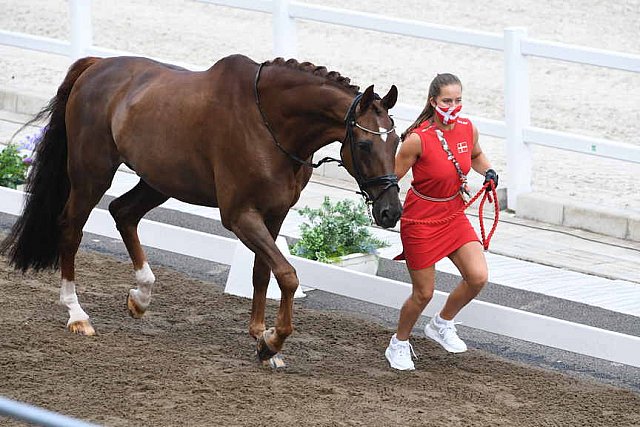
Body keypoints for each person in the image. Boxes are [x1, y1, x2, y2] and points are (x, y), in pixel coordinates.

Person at [385, 73, 499, 371]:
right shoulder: (416, 139)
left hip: (453, 214)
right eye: (447, 100)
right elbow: (390, 179)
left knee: (477, 277)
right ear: (433, 101)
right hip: (421, 220)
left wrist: (487, 170)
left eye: (458, 100)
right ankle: (398, 342)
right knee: (423, 293)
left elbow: (475, 155)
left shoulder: (467, 128)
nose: (454, 106)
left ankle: (442, 323)